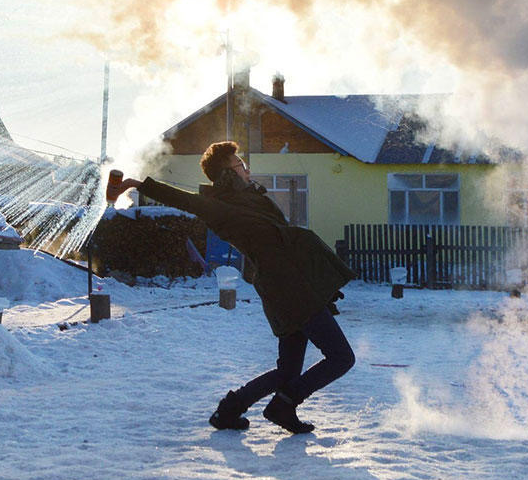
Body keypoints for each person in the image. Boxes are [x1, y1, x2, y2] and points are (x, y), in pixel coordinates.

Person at [111, 140, 356, 434]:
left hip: (291, 286)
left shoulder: (252, 200)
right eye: (240, 165)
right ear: (228, 173)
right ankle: (284, 404)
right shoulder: (221, 209)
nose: (247, 168)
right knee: (341, 357)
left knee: (287, 371)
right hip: (289, 290)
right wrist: (139, 184)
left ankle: (230, 411)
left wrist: (318, 285)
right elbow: (186, 201)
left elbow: (286, 244)